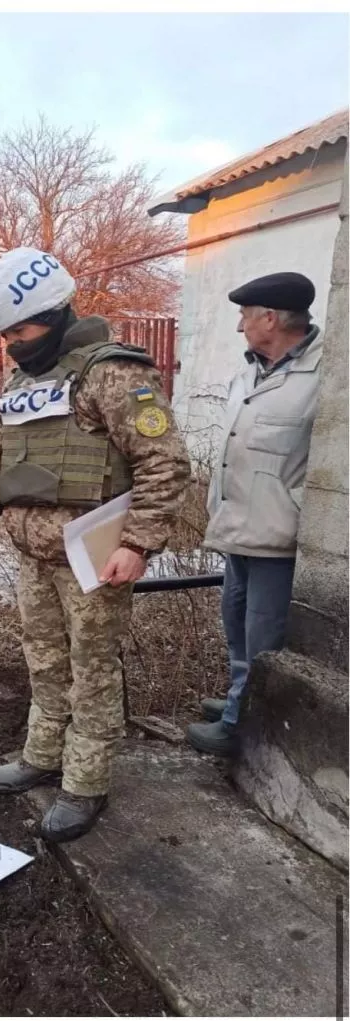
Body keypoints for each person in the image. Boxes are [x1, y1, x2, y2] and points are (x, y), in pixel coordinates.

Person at [0, 247, 191, 842]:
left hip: (93, 557)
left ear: (53, 313)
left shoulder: (114, 372)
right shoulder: (24, 382)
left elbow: (164, 464)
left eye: (19, 331)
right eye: (5, 334)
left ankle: (86, 783)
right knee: (44, 661)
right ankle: (42, 756)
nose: (12, 344)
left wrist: (138, 543)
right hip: (33, 557)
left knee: (92, 669)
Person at [187, 272, 323, 757]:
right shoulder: (250, 371)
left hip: (278, 533)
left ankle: (240, 727)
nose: (240, 326)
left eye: (246, 316)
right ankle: (236, 702)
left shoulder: (325, 373)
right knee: (236, 625)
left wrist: (301, 508)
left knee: (263, 637)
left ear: (270, 318)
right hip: (236, 527)